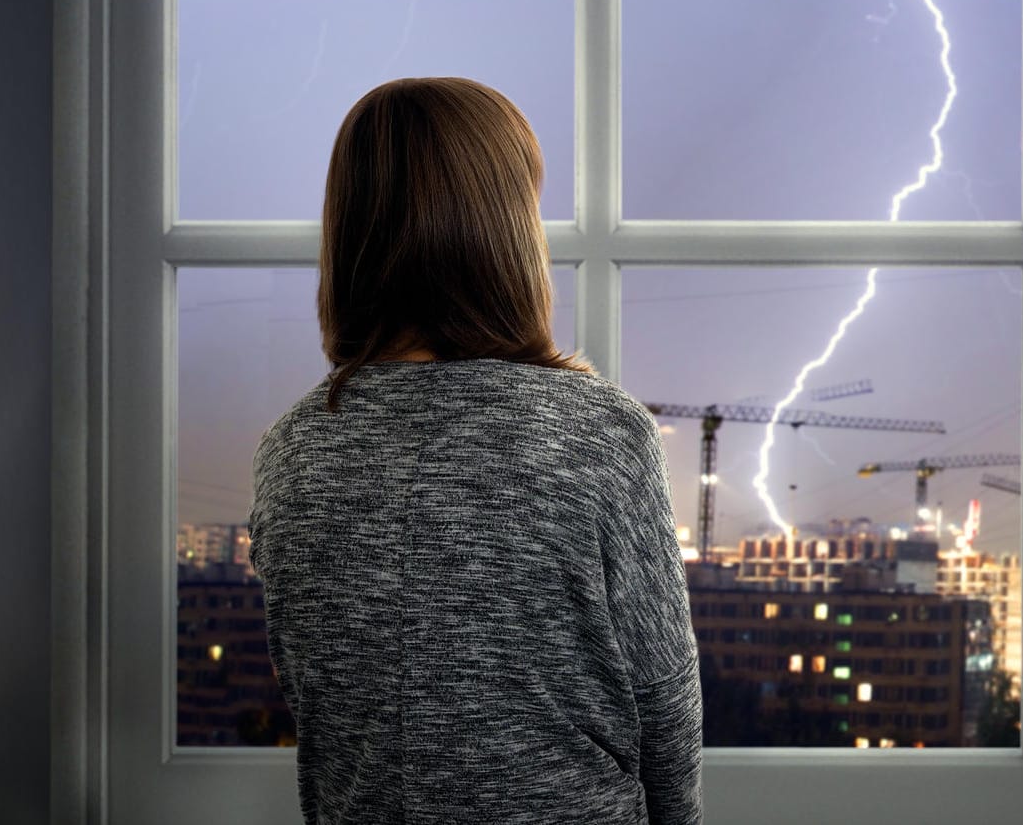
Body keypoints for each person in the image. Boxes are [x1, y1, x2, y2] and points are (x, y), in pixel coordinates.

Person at [248, 76, 703, 824]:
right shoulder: (599, 430)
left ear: (349, 231)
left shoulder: (292, 448)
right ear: (508, 231)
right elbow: (662, 695)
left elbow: (315, 701)